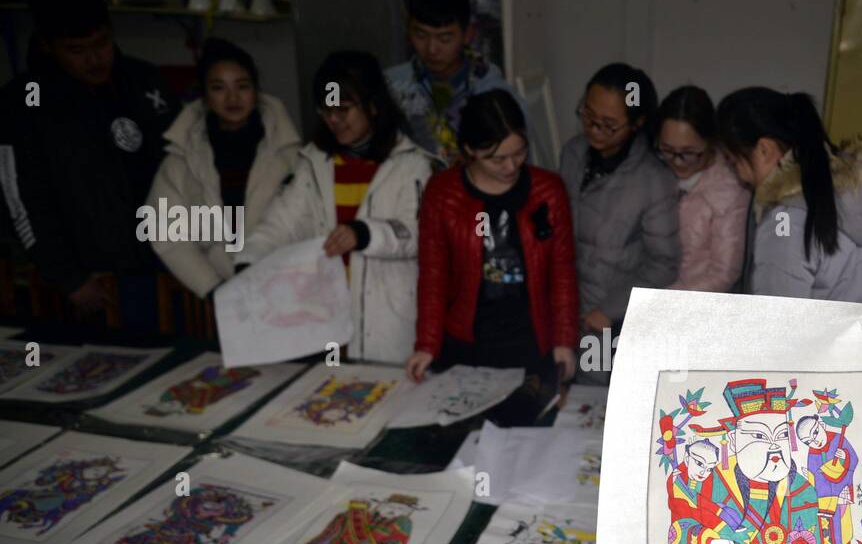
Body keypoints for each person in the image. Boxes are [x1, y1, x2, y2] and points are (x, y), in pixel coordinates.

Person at [0, 0, 180, 327]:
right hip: (89, 278)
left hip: (165, 262)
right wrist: (66, 276)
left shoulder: (145, 82)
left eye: (102, 43)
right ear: (48, 46)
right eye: (77, 49)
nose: (95, 59)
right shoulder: (20, 105)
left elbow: (184, 167)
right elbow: (21, 200)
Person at [237, 51, 433, 364]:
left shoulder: (410, 164)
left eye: (343, 109)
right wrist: (250, 261)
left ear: (373, 105)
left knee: (380, 402)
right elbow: (282, 222)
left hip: (385, 325)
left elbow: (417, 233)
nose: (333, 120)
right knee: (329, 402)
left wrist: (366, 234)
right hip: (325, 320)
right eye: (326, 110)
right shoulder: (316, 162)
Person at [407, 89, 579, 402]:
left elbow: (562, 272)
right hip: (465, 343)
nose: (511, 167)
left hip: (530, 342)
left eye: (520, 153)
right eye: (497, 158)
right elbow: (433, 275)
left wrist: (564, 340)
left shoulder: (548, 190)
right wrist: (427, 344)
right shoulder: (442, 193)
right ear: (470, 149)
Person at [716, 87, 862, 303]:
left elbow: (778, 320)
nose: (738, 175)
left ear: (764, 150)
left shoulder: (783, 219)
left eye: (733, 161)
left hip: (812, 337)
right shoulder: (857, 190)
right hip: (855, 333)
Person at [149, 38, 301, 298]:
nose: (232, 98)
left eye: (242, 86)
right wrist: (213, 288)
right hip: (211, 295)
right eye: (218, 88)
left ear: (256, 91)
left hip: (282, 291)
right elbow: (166, 232)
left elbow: (310, 223)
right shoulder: (180, 159)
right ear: (205, 96)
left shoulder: (291, 155)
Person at [559, 62, 679, 377]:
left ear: (637, 123)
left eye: (608, 124)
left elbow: (664, 263)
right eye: (588, 116)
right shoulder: (572, 153)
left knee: (595, 402)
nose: (593, 129)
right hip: (565, 304)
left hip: (607, 318)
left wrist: (610, 310)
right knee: (558, 390)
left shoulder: (653, 179)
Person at [385, 0, 525, 165]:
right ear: (407, 30)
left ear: (468, 34)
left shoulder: (497, 95)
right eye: (421, 35)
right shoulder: (389, 87)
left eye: (445, 38)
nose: (432, 49)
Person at [655, 85, 748, 292]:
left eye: (688, 152)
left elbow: (724, 273)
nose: (677, 161)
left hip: (693, 308)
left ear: (711, 142)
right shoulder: (655, 171)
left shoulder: (730, 191)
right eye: (667, 150)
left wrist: (665, 299)